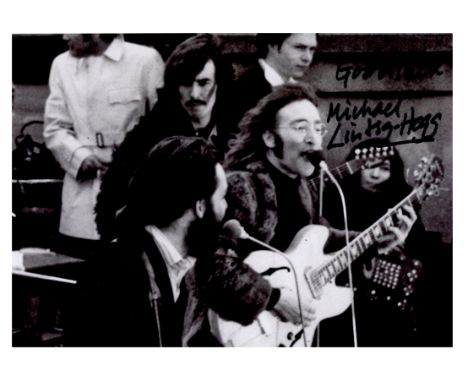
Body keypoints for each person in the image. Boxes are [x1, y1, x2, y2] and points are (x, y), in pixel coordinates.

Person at [217, 85, 417, 346]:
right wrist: (273, 298)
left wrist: (377, 242)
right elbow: (212, 268)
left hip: (285, 336)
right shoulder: (241, 187)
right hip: (237, 335)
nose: (314, 138)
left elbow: (321, 239)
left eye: (318, 128)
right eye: (301, 128)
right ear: (269, 138)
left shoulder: (304, 189)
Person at [72, 136, 226, 346]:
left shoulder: (181, 267)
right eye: (222, 197)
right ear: (200, 207)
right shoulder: (116, 272)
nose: (226, 209)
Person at [95, 33, 234, 241]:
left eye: (203, 83)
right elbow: (109, 207)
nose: (194, 93)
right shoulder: (147, 136)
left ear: (219, 82)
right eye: (186, 83)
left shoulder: (235, 131)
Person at [43, 34, 164, 258]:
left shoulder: (145, 60)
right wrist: (79, 156)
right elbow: (55, 126)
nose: (65, 35)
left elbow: (163, 124)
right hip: (80, 203)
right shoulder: (62, 65)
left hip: (131, 197)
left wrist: (131, 164)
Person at [319, 138, 426, 346]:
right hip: (336, 291)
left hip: (385, 300)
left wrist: (404, 239)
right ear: (357, 164)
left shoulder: (401, 198)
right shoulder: (334, 195)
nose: (375, 174)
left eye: (384, 168)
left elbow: (419, 248)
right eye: (370, 166)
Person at [227, 33, 318, 132]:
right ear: (273, 46)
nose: (307, 58)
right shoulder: (240, 91)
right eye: (299, 47)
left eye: (312, 49)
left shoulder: (303, 93)